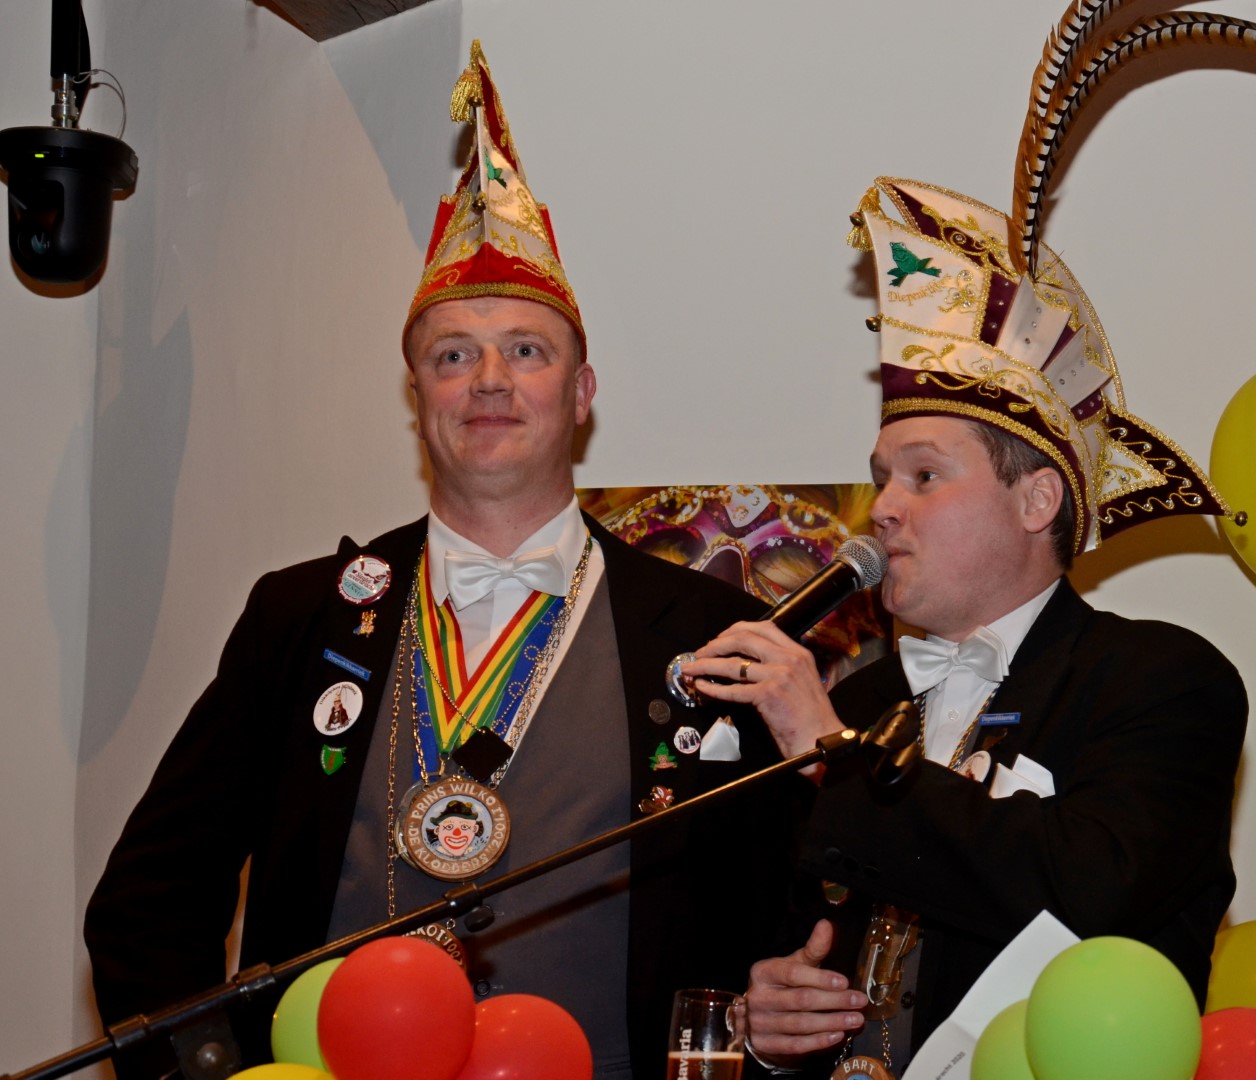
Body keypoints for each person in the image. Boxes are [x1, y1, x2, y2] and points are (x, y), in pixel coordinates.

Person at [83, 43, 788, 1080]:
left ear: (581, 393)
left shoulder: (705, 630)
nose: (488, 380)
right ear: (417, 396)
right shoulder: (302, 618)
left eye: (527, 350)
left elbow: (780, 924)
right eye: (452, 355)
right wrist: (213, 1072)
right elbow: (147, 899)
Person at [681, 175, 1248, 1075]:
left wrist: (838, 759)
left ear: (1036, 501)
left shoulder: (1159, 678)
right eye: (882, 477)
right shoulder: (861, 702)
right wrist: (776, 1024)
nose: (882, 508)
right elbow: (806, 944)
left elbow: (1090, 890)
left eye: (924, 476)